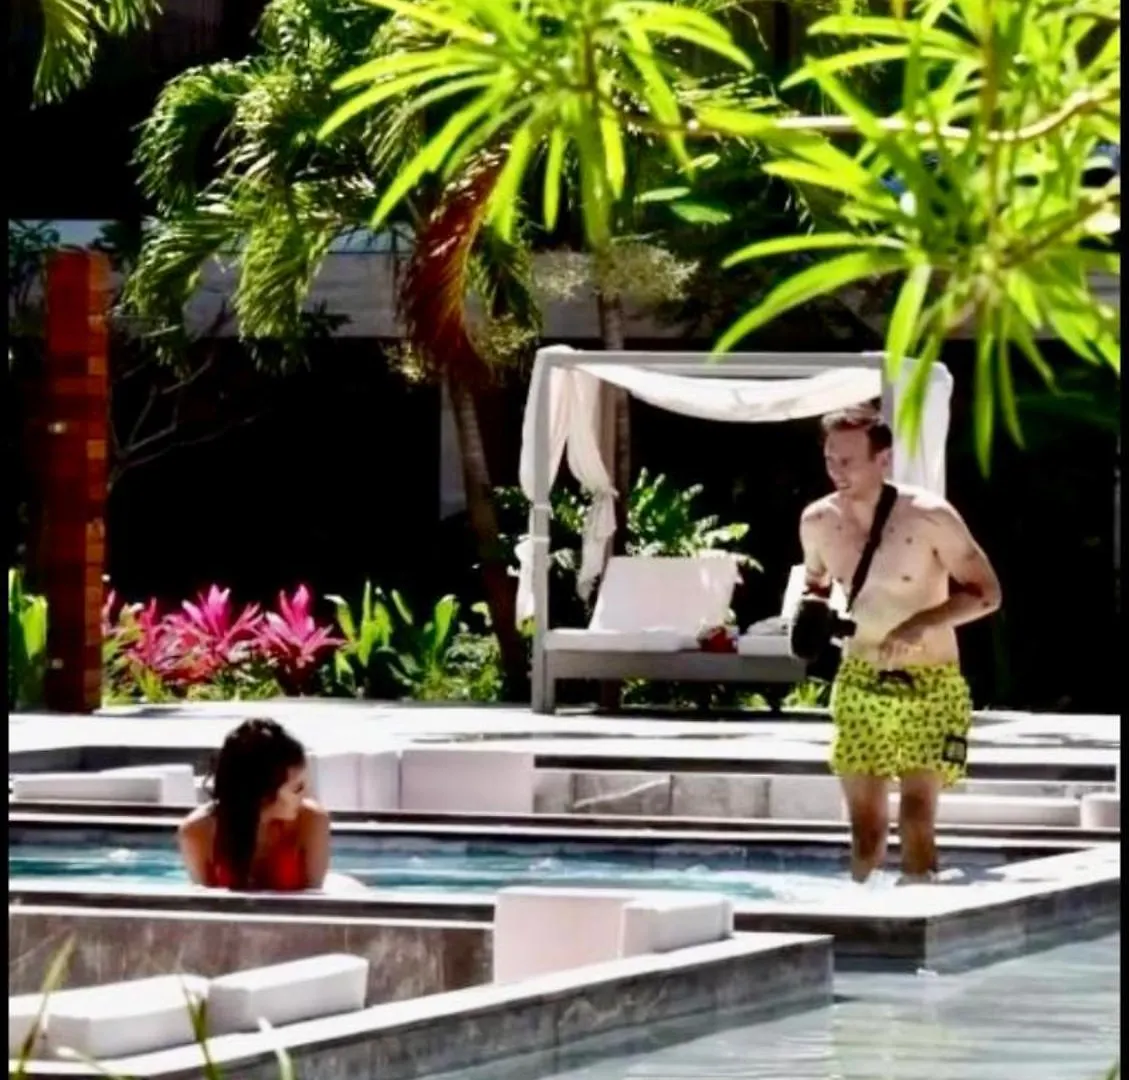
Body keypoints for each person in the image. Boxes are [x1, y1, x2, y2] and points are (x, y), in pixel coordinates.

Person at [797, 406, 1001, 884]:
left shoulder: (929, 517)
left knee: (915, 821)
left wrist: (920, 624)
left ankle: (918, 920)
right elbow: (816, 582)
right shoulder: (818, 521)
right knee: (866, 831)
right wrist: (811, 613)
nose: (837, 471)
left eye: (848, 461)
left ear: (883, 459)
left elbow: (987, 594)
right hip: (860, 681)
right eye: (830, 459)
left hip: (930, 684)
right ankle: (863, 926)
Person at [178, 718, 331, 891]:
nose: (306, 795)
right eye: (297, 788)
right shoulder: (198, 831)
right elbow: (202, 902)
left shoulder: (312, 820)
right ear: (262, 793)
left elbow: (315, 897)